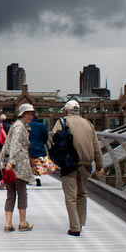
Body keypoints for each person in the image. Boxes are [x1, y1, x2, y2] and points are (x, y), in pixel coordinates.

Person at [50, 100, 102, 236]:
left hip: (69, 164)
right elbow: (96, 147)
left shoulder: (62, 122)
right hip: (86, 164)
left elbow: (54, 141)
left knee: (70, 196)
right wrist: (99, 165)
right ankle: (81, 222)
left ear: (66, 111)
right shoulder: (88, 124)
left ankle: (75, 227)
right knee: (82, 193)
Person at [0, 104, 35, 232]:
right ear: (22, 114)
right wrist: (12, 162)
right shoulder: (20, 127)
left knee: (10, 195)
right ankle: (23, 223)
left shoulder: (18, 125)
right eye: (28, 113)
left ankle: (8, 224)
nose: (30, 116)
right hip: (17, 166)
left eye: (31, 113)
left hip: (9, 164)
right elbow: (15, 145)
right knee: (21, 194)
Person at [28, 116, 49, 186]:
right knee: (38, 163)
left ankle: (28, 177)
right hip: (39, 146)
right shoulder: (42, 126)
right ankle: (38, 177)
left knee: (29, 162)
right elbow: (46, 136)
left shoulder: (28, 125)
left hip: (29, 146)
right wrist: (44, 142)